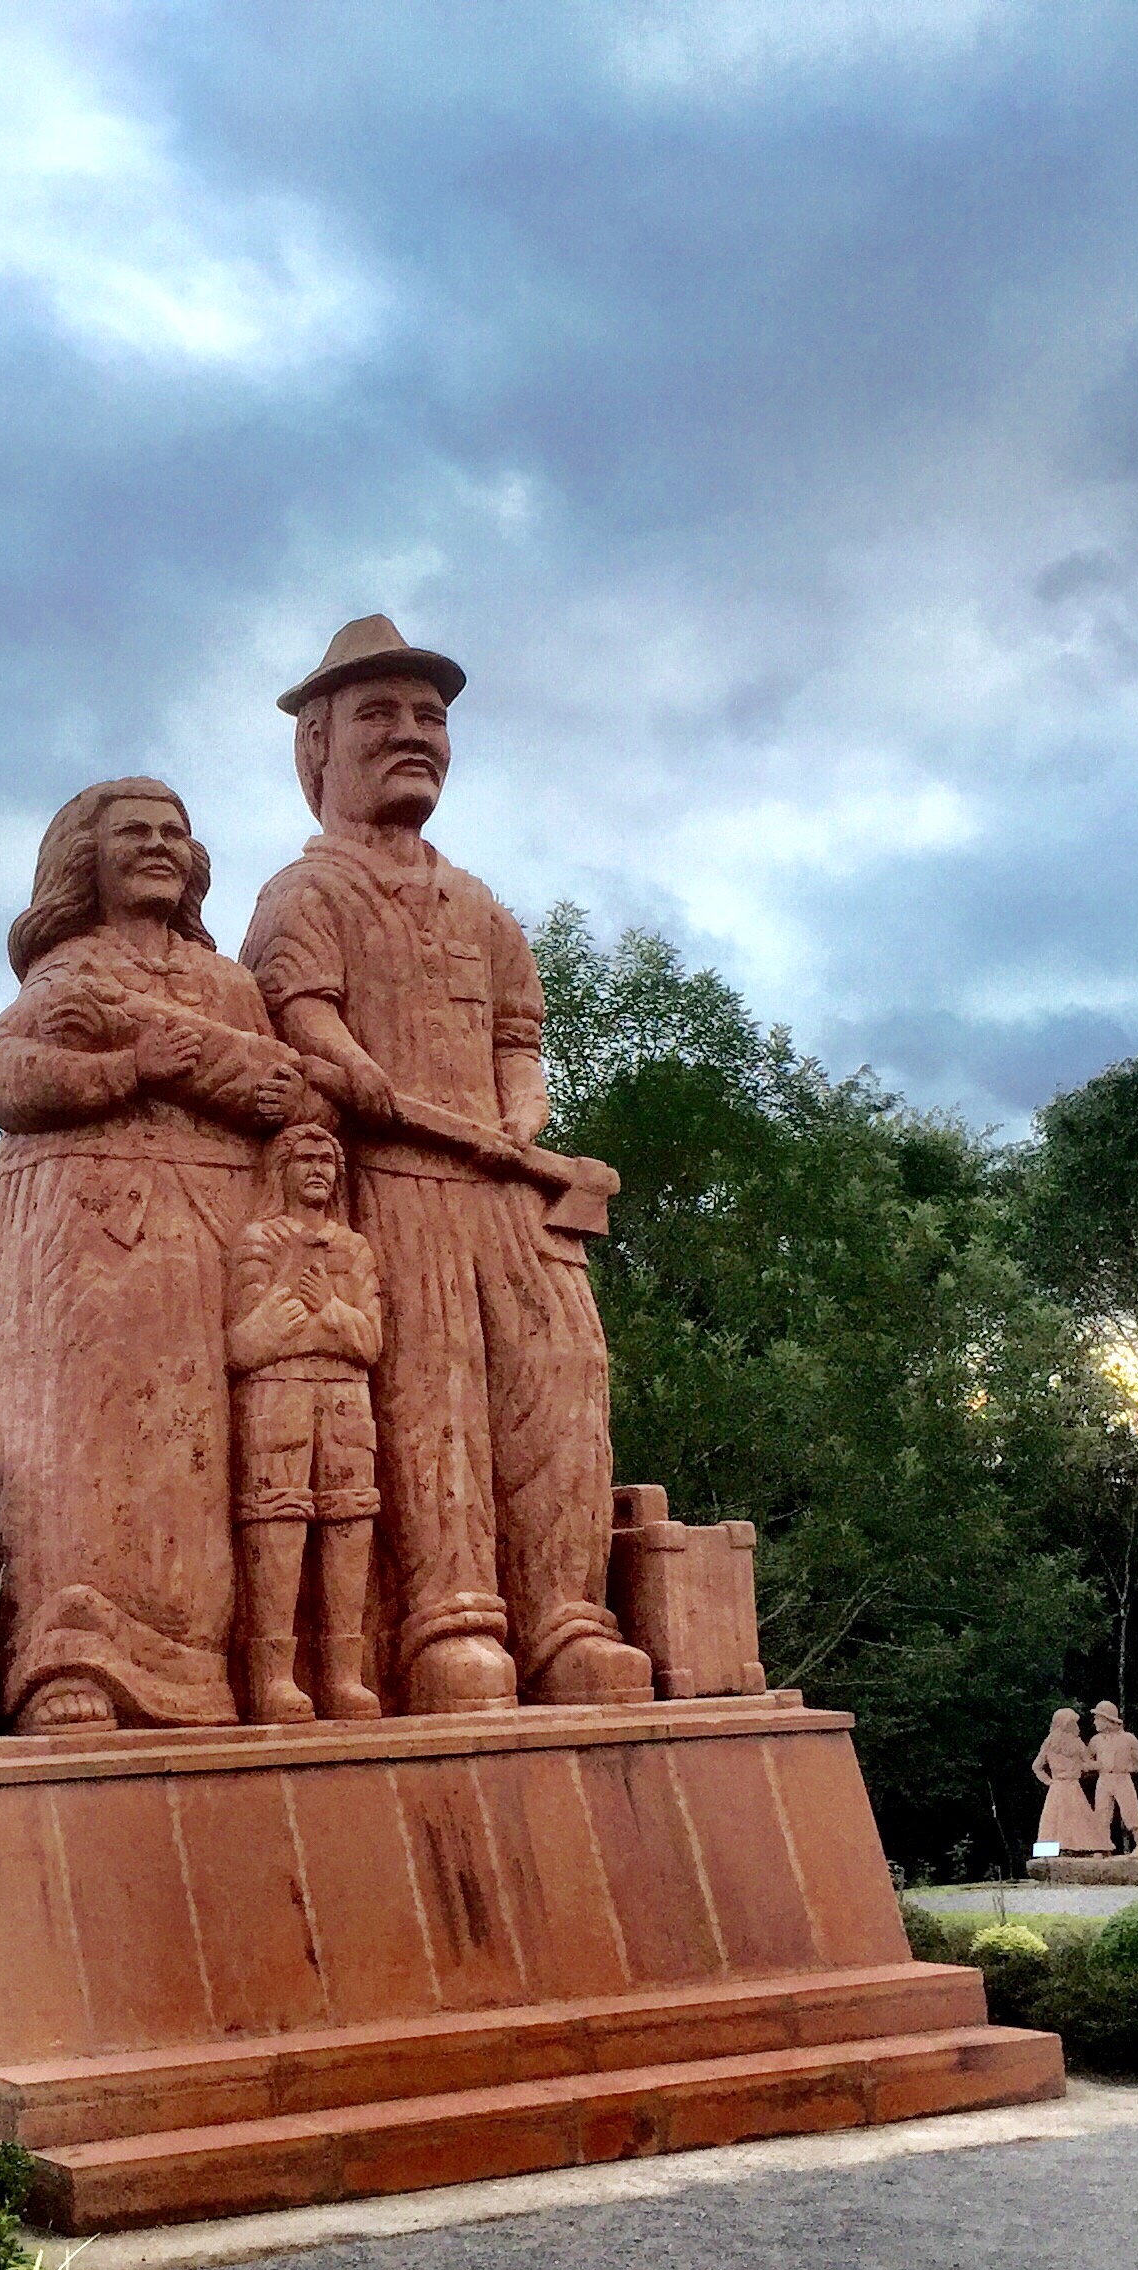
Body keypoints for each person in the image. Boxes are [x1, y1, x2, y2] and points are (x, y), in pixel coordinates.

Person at [242, 617, 655, 1714]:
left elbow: (520, 1043)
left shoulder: (480, 908)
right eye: (379, 714)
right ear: (316, 747)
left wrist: (523, 1130)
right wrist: (356, 1073)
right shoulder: (304, 897)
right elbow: (302, 1019)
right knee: (434, 1398)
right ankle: (452, 1627)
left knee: (560, 1388)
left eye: (430, 716)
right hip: (394, 1189)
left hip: (507, 1191)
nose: (412, 734)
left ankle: (567, 1621)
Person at [0, 778, 307, 1731]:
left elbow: (281, 1092)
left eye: (175, 833)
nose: (160, 846)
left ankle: (207, 1671)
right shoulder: (67, 972)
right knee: (89, 1438)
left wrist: (183, 1057)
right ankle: (67, 1662)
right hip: (89, 1239)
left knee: (198, 1453)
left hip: (212, 1236)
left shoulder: (228, 985)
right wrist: (136, 1068)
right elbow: (0, 1076)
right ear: (87, 859)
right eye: (134, 834)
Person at [225, 1122, 386, 1723]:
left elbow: (370, 1342)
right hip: (275, 1393)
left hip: (347, 1394)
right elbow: (244, 1343)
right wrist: (295, 1326)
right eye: (306, 1159)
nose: (319, 1169)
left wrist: (330, 1312)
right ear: (281, 1170)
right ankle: (273, 1678)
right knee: (277, 1516)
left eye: (328, 1159)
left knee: (350, 1514)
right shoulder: (258, 1243)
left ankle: (343, 1675)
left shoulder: (353, 1249)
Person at [1031, 1709, 1106, 1857]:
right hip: (1070, 1787)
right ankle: (1080, 1847)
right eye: (1073, 1723)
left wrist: (1049, 1781)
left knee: (1056, 1821)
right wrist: (1102, 1763)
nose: (1076, 1727)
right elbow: (1088, 1763)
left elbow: (1036, 1767)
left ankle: (1055, 1851)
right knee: (1075, 1818)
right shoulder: (1074, 1743)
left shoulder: (1050, 1742)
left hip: (1059, 1787)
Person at [1089, 1700, 1138, 1856]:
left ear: (1107, 1720)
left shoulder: (1128, 1739)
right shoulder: (1096, 1741)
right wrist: (1095, 1765)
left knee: (1131, 1813)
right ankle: (1103, 1847)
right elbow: (1086, 1761)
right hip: (1103, 1780)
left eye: (1098, 1718)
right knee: (1101, 1815)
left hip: (1122, 1779)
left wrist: (1126, 1768)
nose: (1095, 1722)